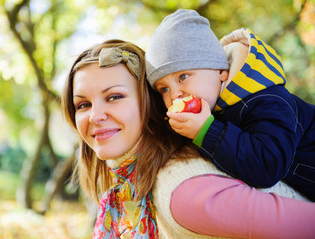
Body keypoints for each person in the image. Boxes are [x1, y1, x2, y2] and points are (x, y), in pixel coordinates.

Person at [62, 39, 315, 239]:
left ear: (150, 104)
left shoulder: (184, 188)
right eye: (83, 104)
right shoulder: (150, 176)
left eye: (114, 97)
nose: (95, 116)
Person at [146, 9, 315, 202]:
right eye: (164, 89)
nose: (175, 94)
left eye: (183, 77)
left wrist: (206, 131)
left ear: (220, 71)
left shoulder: (266, 100)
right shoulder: (213, 106)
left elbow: (268, 166)